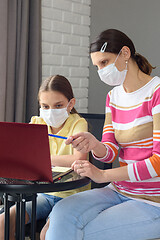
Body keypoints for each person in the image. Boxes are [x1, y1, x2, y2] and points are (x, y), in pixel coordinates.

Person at [45, 29, 160, 240]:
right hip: (119, 190)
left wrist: (103, 175)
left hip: (153, 201)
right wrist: (93, 144)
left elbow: (158, 163)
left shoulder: (156, 92)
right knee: (61, 214)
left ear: (125, 53)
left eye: (104, 62)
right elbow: (109, 152)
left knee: (83, 234)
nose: (101, 71)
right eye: (97, 66)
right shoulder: (113, 97)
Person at [0, 75, 90, 240]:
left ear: (71, 104)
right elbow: (22, 156)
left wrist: (42, 157)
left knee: (47, 234)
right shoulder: (36, 122)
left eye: (58, 106)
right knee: (2, 223)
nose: (51, 111)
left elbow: (79, 159)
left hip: (72, 195)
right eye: (45, 106)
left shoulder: (79, 124)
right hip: (44, 195)